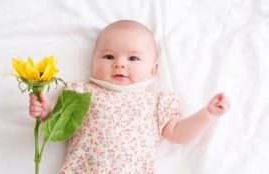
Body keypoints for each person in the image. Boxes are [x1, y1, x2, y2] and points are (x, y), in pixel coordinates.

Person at [29, 20, 231, 173]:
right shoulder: (81, 93)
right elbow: (59, 128)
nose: (119, 64)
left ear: (154, 69)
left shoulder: (156, 102)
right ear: (93, 62)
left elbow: (177, 133)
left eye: (133, 58)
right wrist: (46, 114)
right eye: (109, 56)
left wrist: (207, 114)